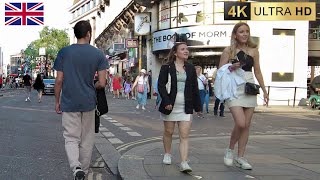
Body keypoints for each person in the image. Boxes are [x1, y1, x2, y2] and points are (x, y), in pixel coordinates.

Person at [53, 20, 108, 180]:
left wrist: (57, 101)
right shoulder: (98, 54)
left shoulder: (64, 52)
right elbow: (102, 83)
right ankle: (83, 169)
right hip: (89, 102)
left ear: (75, 34)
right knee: (87, 139)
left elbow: (58, 81)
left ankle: (75, 167)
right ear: (89, 34)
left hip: (69, 102)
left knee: (71, 137)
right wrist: (93, 84)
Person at [220, 22, 268, 170]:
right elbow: (220, 72)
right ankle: (229, 149)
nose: (245, 34)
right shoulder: (228, 51)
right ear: (235, 34)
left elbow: (258, 71)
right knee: (240, 123)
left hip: (249, 87)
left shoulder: (254, 50)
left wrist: (265, 91)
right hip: (234, 88)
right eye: (241, 31)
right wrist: (230, 67)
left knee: (246, 125)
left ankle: (240, 157)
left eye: (247, 31)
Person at [158, 42, 201, 173]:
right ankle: (167, 153)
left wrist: (198, 107)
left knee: (184, 135)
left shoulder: (190, 68)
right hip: (170, 105)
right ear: (175, 53)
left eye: (187, 49)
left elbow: (194, 88)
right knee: (169, 132)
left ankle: (184, 162)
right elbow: (161, 85)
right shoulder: (167, 67)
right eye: (183, 49)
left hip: (186, 106)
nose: (186, 51)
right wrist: (166, 101)